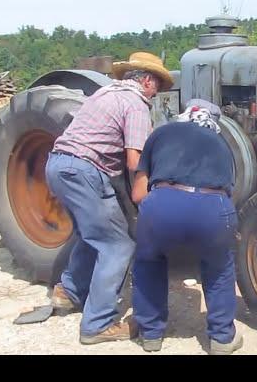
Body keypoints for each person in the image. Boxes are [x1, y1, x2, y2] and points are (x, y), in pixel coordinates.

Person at [45, 52, 173, 345]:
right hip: (84, 172)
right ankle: (97, 324)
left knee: (92, 235)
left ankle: (68, 292)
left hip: (58, 165)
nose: (158, 93)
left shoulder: (105, 92)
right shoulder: (136, 103)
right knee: (117, 245)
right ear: (147, 80)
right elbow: (133, 161)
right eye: (158, 85)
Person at [131, 99, 243, 354]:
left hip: (164, 202)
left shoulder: (160, 134)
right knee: (219, 266)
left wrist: (160, 212)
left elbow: (138, 194)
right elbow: (228, 193)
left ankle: (151, 334)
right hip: (213, 208)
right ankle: (222, 339)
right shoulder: (222, 144)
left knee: (148, 260)